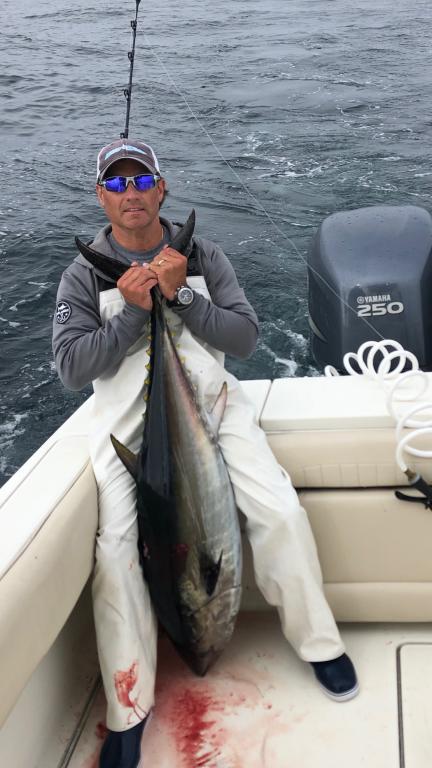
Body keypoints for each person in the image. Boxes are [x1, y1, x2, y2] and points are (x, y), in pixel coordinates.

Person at [52, 139, 359, 768]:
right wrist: (133, 313)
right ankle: (129, 709)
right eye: (118, 184)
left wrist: (184, 296)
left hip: (213, 406)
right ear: (102, 196)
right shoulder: (83, 275)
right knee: (115, 552)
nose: (131, 193)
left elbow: (243, 339)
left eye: (142, 181)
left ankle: (320, 644)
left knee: (279, 510)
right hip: (124, 423)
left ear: (161, 189)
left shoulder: (203, 255)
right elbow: (71, 369)